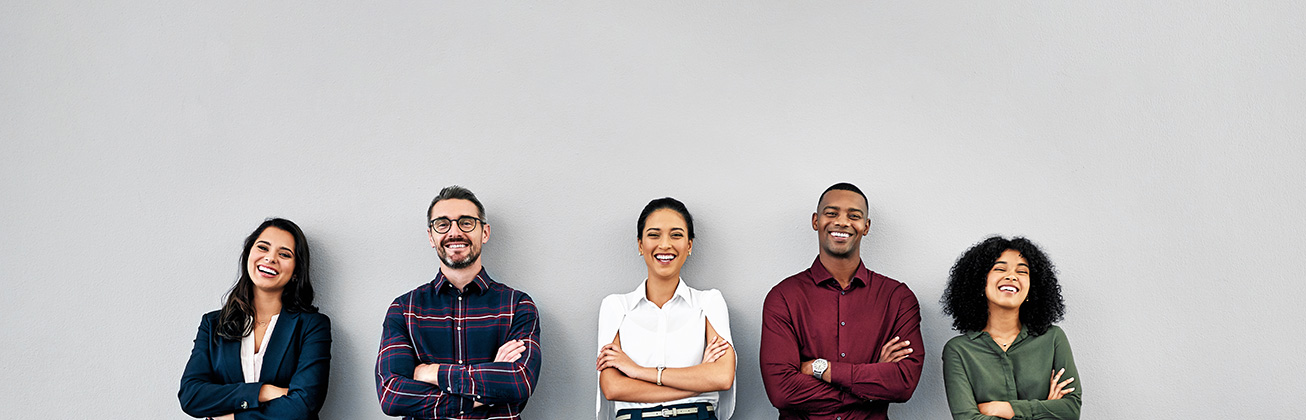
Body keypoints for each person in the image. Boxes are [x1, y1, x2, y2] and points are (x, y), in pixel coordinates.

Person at [375, 185, 541, 420]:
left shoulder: (518, 306)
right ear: (431, 237)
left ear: (484, 232)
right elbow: (392, 396)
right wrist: (487, 385)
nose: (454, 232)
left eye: (466, 222)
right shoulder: (404, 309)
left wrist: (432, 372)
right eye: (442, 224)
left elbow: (518, 382)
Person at [760, 183, 924, 420]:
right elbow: (782, 392)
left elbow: (903, 384)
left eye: (854, 216)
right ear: (816, 221)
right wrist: (871, 384)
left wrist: (821, 368)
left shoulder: (898, 298)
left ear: (865, 227)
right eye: (832, 213)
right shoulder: (783, 297)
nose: (842, 222)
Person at [595, 197, 736, 420]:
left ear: (689, 245)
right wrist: (697, 384)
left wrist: (637, 371)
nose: (665, 244)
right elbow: (613, 388)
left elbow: (722, 377)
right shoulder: (616, 306)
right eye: (654, 234)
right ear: (640, 245)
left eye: (676, 235)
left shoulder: (708, 302)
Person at [179, 218, 332, 420]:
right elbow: (191, 396)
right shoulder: (213, 324)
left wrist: (233, 418)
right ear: (249, 255)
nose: (270, 258)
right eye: (263, 248)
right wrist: (263, 392)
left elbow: (303, 405)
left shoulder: (312, 326)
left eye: (284, 254)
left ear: (296, 272)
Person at [940, 236, 1081, 420]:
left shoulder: (1053, 338)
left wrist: (1005, 409)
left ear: (1032, 287)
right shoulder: (958, 351)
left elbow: (1071, 410)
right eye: (1000, 268)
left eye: (1022, 272)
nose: (1012, 276)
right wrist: (1045, 409)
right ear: (980, 282)